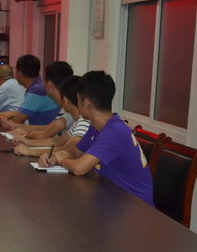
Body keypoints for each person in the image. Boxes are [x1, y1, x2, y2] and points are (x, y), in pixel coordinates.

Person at [39, 71, 154, 205]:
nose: (77, 104)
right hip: (112, 196)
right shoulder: (97, 126)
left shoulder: (114, 131)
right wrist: (55, 157)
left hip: (135, 206)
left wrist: (62, 160)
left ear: (87, 103)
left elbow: (79, 168)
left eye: (78, 100)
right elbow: (76, 152)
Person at [12, 75, 92, 156]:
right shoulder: (80, 119)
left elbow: (67, 150)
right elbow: (58, 141)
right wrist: (28, 142)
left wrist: (29, 151)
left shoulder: (84, 121)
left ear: (65, 100)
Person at [0, 56, 67, 125]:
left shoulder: (37, 90)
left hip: (41, 136)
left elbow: (17, 120)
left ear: (19, 73)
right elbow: (18, 113)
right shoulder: (37, 86)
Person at [2, 61, 75, 136]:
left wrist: (24, 134)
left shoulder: (68, 108)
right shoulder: (66, 105)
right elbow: (49, 128)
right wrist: (17, 126)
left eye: (44, 80)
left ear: (49, 85)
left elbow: (51, 135)